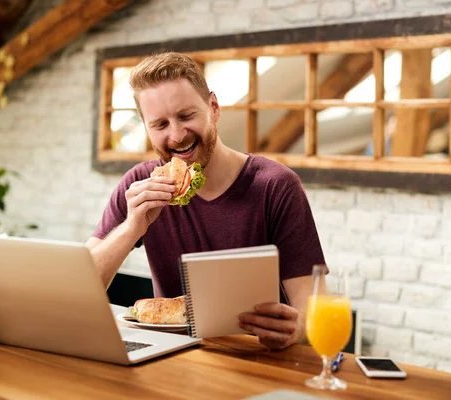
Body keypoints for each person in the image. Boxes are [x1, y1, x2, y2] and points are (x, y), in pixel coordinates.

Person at [86, 52, 326, 350]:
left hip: (257, 359)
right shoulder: (140, 187)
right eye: (160, 125)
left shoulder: (275, 185)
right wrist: (132, 227)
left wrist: (294, 330)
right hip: (170, 360)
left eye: (186, 116)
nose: (176, 135)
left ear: (213, 108)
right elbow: (79, 290)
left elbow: (313, 309)